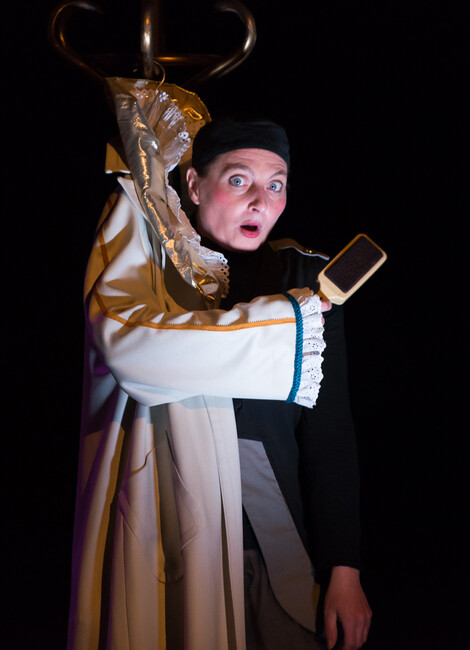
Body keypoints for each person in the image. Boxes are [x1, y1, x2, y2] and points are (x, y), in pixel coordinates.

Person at [67, 82, 371, 650]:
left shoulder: (304, 277)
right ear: (193, 183)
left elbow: (331, 436)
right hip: (179, 538)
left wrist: (344, 569)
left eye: (276, 185)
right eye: (240, 180)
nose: (262, 200)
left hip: (275, 543)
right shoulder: (159, 272)